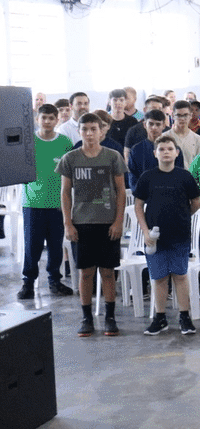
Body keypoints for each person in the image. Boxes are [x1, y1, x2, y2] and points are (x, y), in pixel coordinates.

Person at [59, 113, 127, 337]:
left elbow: (120, 192)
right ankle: (86, 317)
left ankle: (110, 317)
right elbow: (65, 194)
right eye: (84, 129)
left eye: (93, 129)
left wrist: (118, 221)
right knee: (85, 273)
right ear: (79, 131)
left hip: (108, 224)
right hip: (82, 224)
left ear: (101, 131)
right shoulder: (70, 159)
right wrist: (68, 223)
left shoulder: (113, 157)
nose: (89, 133)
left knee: (108, 272)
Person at [134, 136, 200, 336]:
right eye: (161, 149)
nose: (165, 152)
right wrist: (146, 231)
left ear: (176, 153)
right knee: (159, 278)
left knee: (180, 276)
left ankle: (184, 316)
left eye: (169, 148)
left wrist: (182, 215)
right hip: (154, 238)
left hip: (179, 235)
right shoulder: (147, 177)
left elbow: (196, 202)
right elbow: (138, 206)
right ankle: (160, 317)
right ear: (155, 153)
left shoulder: (185, 177)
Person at [18, 104, 75, 300]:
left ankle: (55, 281)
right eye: (44, 118)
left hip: (57, 205)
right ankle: (28, 283)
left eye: (52, 118)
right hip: (32, 203)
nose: (48, 121)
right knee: (32, 245)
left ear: (57, 120)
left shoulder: (65, 143)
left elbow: (70, 174)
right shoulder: (28, 142)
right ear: (37, 119)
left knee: (55, 245)